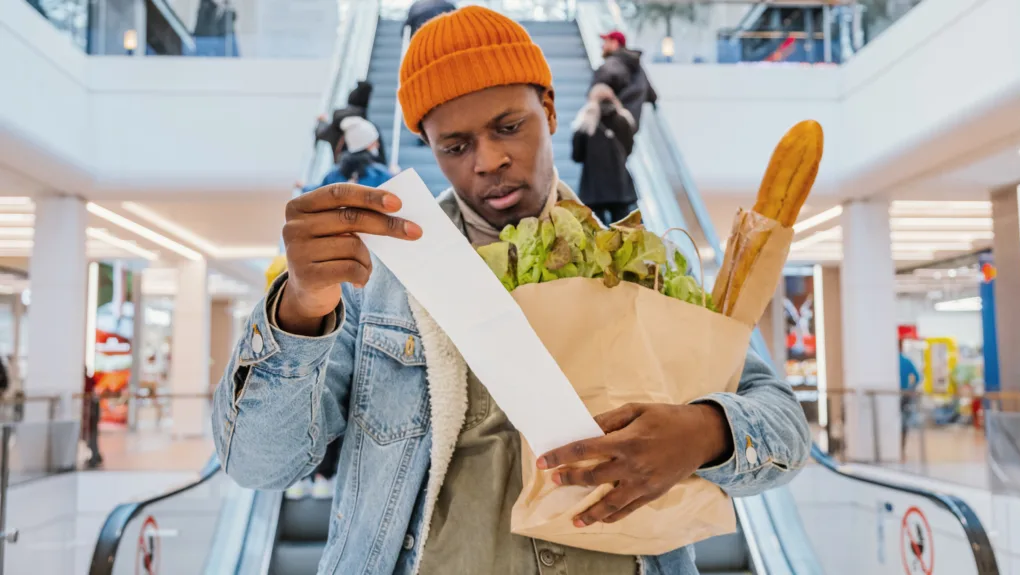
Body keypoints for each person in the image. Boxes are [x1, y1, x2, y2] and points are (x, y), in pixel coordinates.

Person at [212, 7, 810, 575]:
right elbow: (259, 463)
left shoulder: (643, 264)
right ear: (429, 145)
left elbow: (782, 422)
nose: (489, 160)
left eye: (508, 126)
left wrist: (707, 432)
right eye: (456, 146)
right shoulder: (377, 281)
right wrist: (301, 310)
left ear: (549, 110)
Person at [571, 83, 637, 226]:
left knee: (596, 231)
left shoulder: (584, 122)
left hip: (594, 187)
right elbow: (629, 150)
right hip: (619, 185)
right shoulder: (624, 119)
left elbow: (576, 156)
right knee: (623, 232)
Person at [592, 30, 658, 133]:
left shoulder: (612, 64)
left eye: (606, 42)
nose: (602, 46)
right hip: (631, 125)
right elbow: (651, 94)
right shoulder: (637, 67)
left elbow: (597, 88)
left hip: (612, 125)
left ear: (614, 43)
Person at [899, 352, 921, 460]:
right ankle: (901, 450)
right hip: (904, 395)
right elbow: (917, 377)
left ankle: (895, 449)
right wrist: (910, 389)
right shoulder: (906, 361)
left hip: (893, 395)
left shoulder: (888, 361)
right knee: (903, 423)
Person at [83, 368, 102, 468]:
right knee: (90, 437)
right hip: (88, 416)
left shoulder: (87, 381)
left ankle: (95, 456)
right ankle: (95, 455)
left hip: (91, 415)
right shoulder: (87, 381)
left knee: (92, 436)